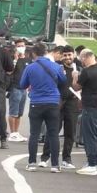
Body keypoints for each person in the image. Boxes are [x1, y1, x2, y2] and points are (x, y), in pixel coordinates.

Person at [20, 43, 67, 172]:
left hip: (36, 102)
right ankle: (55, 165)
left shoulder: (30, 67)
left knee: (34, 134)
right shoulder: (56, 67)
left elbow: (22, 84)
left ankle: (32, 163)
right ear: (46, 52)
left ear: (33, 53)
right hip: (53, 102)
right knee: (53, 134)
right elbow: (63, 81)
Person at [40, 45, 79, 170]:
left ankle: (67, 159)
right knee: (53, 130)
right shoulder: (56, 67)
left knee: (70, 132)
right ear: (62, 56)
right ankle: (45, 158)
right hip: (57, 102)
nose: (67, 57)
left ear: (74, 55)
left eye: (69, 55)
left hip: (72, 104)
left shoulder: (79, 68)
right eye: (65, 55)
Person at [73, 49, 97, 176]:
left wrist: (75, 76)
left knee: (90, 136)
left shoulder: (87, 72)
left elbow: (76, 87)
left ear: (84, 58)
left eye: (81, 59)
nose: (81, 62)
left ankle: (92, 164)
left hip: (90, 106)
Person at [7, 39, 30, 142]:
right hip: (15, 87)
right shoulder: (12, 59)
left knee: (20, 113)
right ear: (15, 47)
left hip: (24, 89)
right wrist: (15, 59)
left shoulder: (28, 59)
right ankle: (12, 133)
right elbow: (9, 71)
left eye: (22, 45)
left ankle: (16, 132)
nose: (21, 47)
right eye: (19, 46)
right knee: (13, 112)